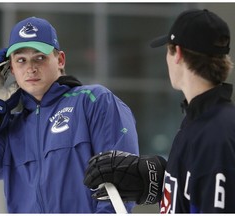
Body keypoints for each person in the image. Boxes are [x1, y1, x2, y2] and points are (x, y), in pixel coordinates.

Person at [0, 17, 139, 213]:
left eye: (40, 57)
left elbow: (121, 180)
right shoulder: (12, 129)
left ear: (60, 60)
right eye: (21, 60)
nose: (31, 68)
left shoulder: (94, 101)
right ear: (11, 69)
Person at [84, 9, 235, 213]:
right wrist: (160, 179)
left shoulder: (216, 134)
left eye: (168, 49)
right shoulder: (197, 123)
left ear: (178, 54)